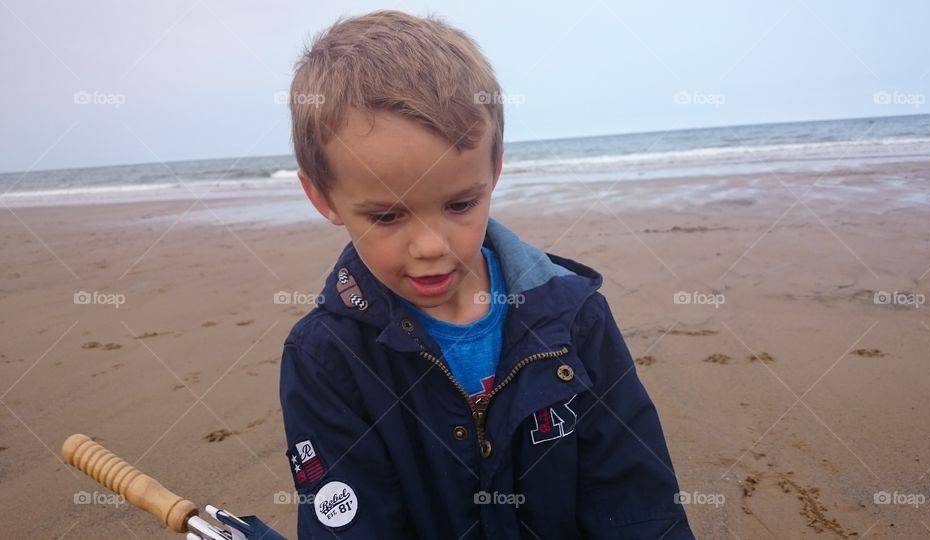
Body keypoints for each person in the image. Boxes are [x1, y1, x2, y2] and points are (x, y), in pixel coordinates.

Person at [279, 9, 694, 539]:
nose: (431, 248)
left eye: (460, 204)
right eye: (387, 216)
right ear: (322, 196)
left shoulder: (573, 316)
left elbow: (638, 498)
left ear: (494, 169)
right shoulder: (324, 358)